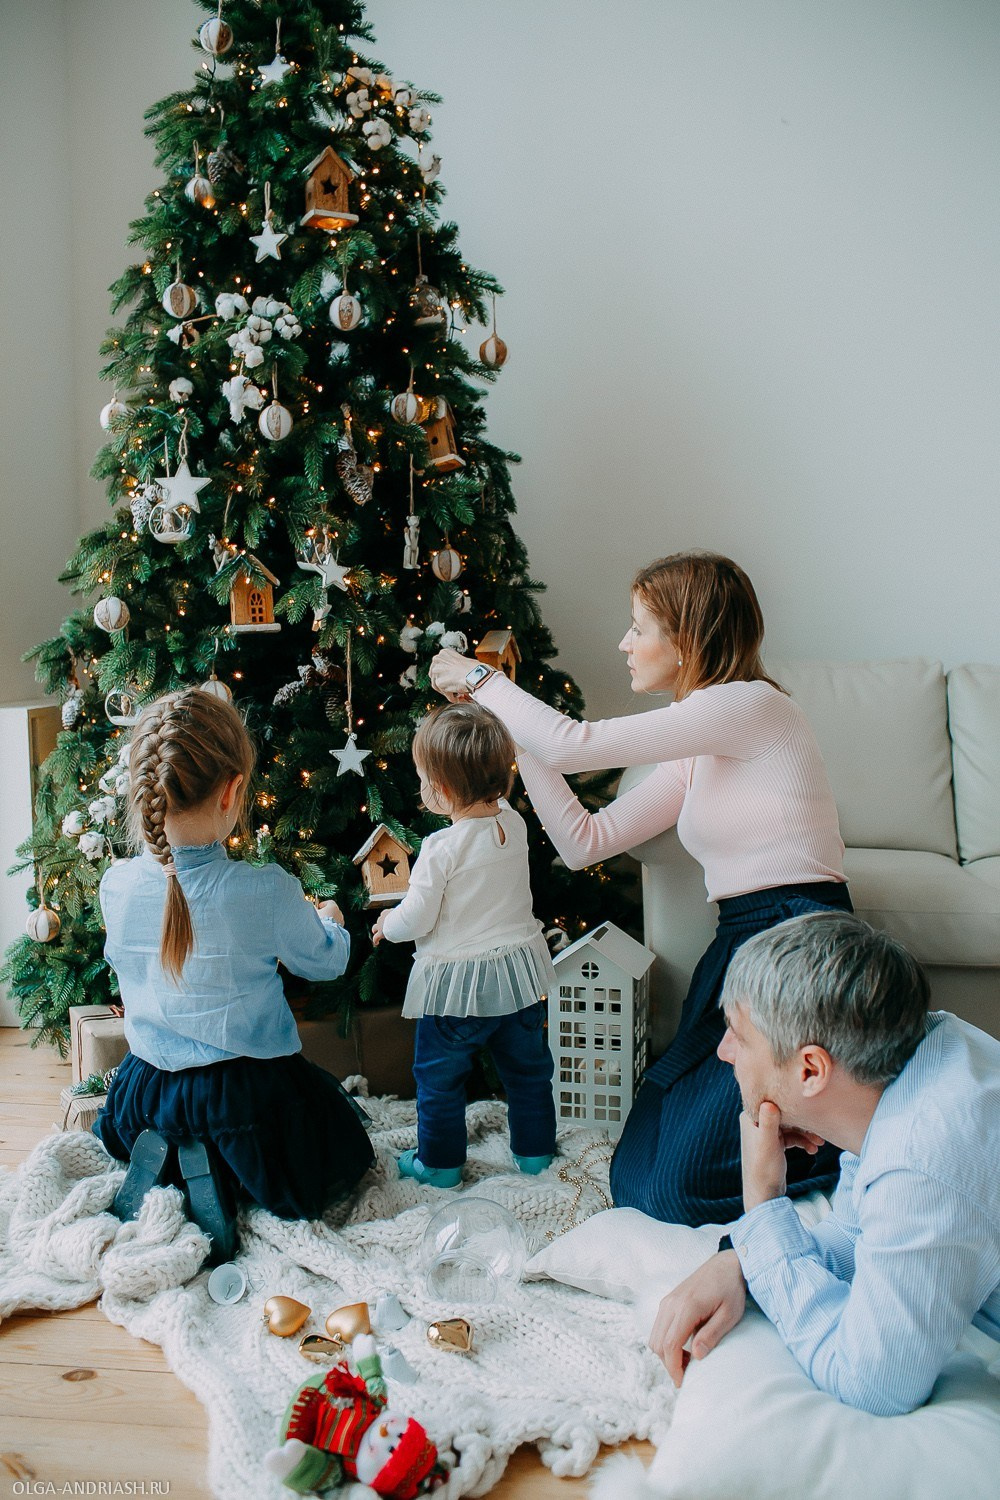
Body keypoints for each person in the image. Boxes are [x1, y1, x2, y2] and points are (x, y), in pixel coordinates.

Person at [430, 551, 850, 1224]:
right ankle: (820, 1133)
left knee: (672, 1191)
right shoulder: (700, 742)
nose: (625, 644)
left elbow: (575, 742)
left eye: (639, 627)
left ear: (686, 638)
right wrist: (517, 739)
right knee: (635, 1174)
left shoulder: (749, 706)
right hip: (740, 952)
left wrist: (481, 679)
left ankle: (851, 1142)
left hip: (800, 946)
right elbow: (584, 843)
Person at [648, 911, 1000, 1417]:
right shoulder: (927, 1049)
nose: (724, 1051)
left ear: (811, 1069)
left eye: (738, 1036)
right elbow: (861, 1238)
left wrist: (763, 1203)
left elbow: (871, 1384)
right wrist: (741, 1263)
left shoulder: (921, 1168)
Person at [96, 688, 375, 1257]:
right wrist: (331, 919)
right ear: (232, 791)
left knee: (173, 1119)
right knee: (328, 1140)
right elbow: (328, 961)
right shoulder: (263, 889)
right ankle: (220, 1163)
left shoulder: (117, 885)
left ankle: (180, 1159)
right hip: (246, 1100)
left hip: (146, 1090)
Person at [372, 701, 557, 1187]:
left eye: (422, 778)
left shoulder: (440, 848)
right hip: (518, 978)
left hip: (457, 989)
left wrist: (388, 923)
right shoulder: (513, 825)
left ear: (445, 789)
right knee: (529, 1074)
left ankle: (440, 1164)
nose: (420, 787)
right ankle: (536, 1156)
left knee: (440, 1081)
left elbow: (418, 916)